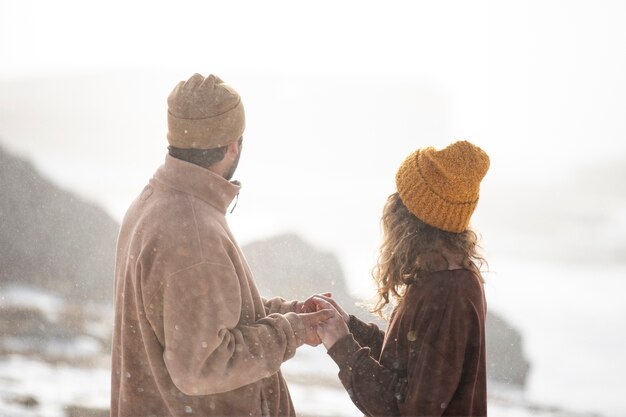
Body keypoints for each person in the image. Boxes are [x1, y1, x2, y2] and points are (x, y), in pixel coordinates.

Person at [110, 73, 333, 417]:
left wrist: (286, 311)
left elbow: (203, 316)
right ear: (232, 145)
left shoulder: (156, 201)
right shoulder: (192, 230)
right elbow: (203, 366)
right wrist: (291, 331)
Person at [312, 140, 490, 416]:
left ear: (412, 220)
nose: (392, 202)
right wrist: (348, 328)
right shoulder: (444, 279)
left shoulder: (448, 294)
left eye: (400, 195)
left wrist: (343, 347)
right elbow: (410, 361)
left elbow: (408, 408)